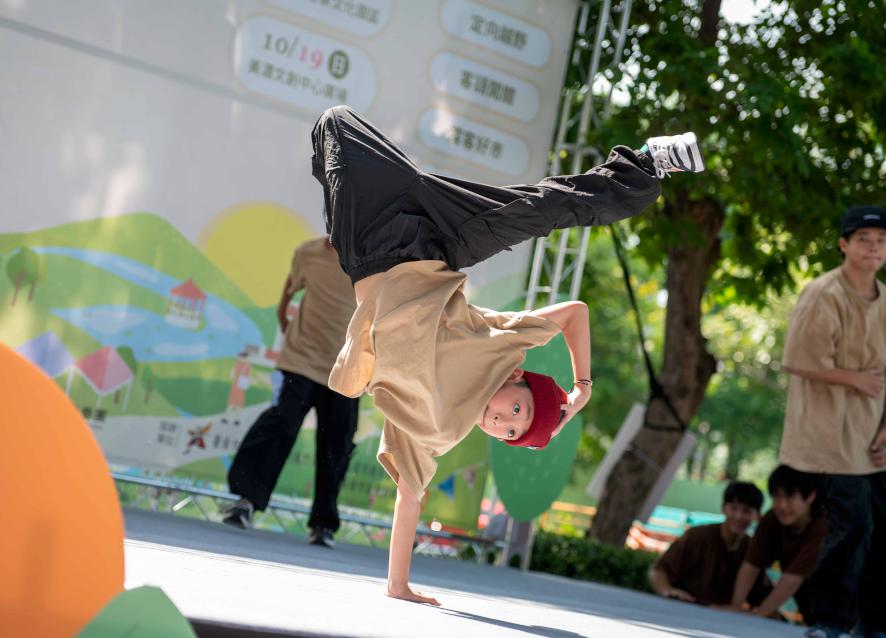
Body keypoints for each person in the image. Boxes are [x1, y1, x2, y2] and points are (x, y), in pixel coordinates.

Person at [313, 105, 705, 604]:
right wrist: (580, 390)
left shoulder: (436, 427)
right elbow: (575, 313)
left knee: (332, 128)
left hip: (370, 247)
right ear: (518, 377)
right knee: (539, 209)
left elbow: (410, 497)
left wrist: (399, 586)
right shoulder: (501, 345)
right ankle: (647, 163)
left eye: (511, 432)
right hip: (439, 240)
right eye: (517, 410)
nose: (503, 422)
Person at [778, 205, 886, 638]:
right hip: (828, 436)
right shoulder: (823, 293)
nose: (874, 248)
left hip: (870, 436)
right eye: (864, 240)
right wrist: (854, 379)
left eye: (881, 240)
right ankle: (828, 622)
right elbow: (796, 360)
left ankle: (881, 625)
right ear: (844, 245)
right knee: (851, 526)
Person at [223, 236, 359, 549]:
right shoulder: (308, 253)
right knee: (281, 424)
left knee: (337, 445)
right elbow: (288, 290)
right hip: (302, 361)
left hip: (347, 371)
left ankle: (323, 525)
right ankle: (245, 502)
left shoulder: (370, 260)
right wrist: (284, 321)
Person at [729, 465, 827, 623]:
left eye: (790, 496)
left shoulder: (823, 525)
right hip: (808, 606)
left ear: (810, 496)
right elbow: (751, 565)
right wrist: (735, 606)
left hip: (842, 606)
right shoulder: (771, 519)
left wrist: (758, 616)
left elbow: (792, 579)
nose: (782, 505)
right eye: (777, 496)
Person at [650, 481, 769, 606]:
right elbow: (659, 570)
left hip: (722, 614)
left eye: (746, 511)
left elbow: (761, 594)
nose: (739, 516)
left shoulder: (753, 549)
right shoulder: (697, 536)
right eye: (734, 508)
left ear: (757, 515)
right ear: (723, 508)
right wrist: (667, 591)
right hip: (683, 606)